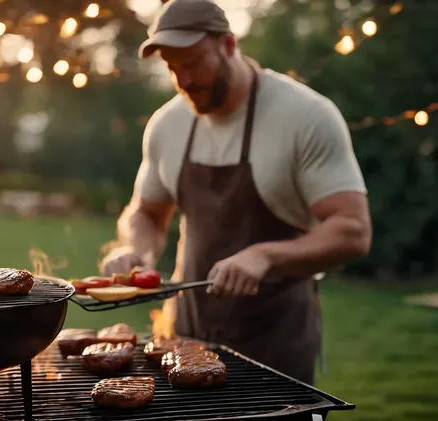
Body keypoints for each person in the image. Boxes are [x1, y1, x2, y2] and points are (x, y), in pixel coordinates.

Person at [99, 0, 372, 385]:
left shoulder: (305, 116)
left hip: (276, 342)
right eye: (173, 69)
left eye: (193, 63)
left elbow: (353, 230)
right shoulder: (167, 124)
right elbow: (145, 212)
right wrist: (137, 253)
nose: (185, 81)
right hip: (186, 335)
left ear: (228, 45)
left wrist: (265, 255)